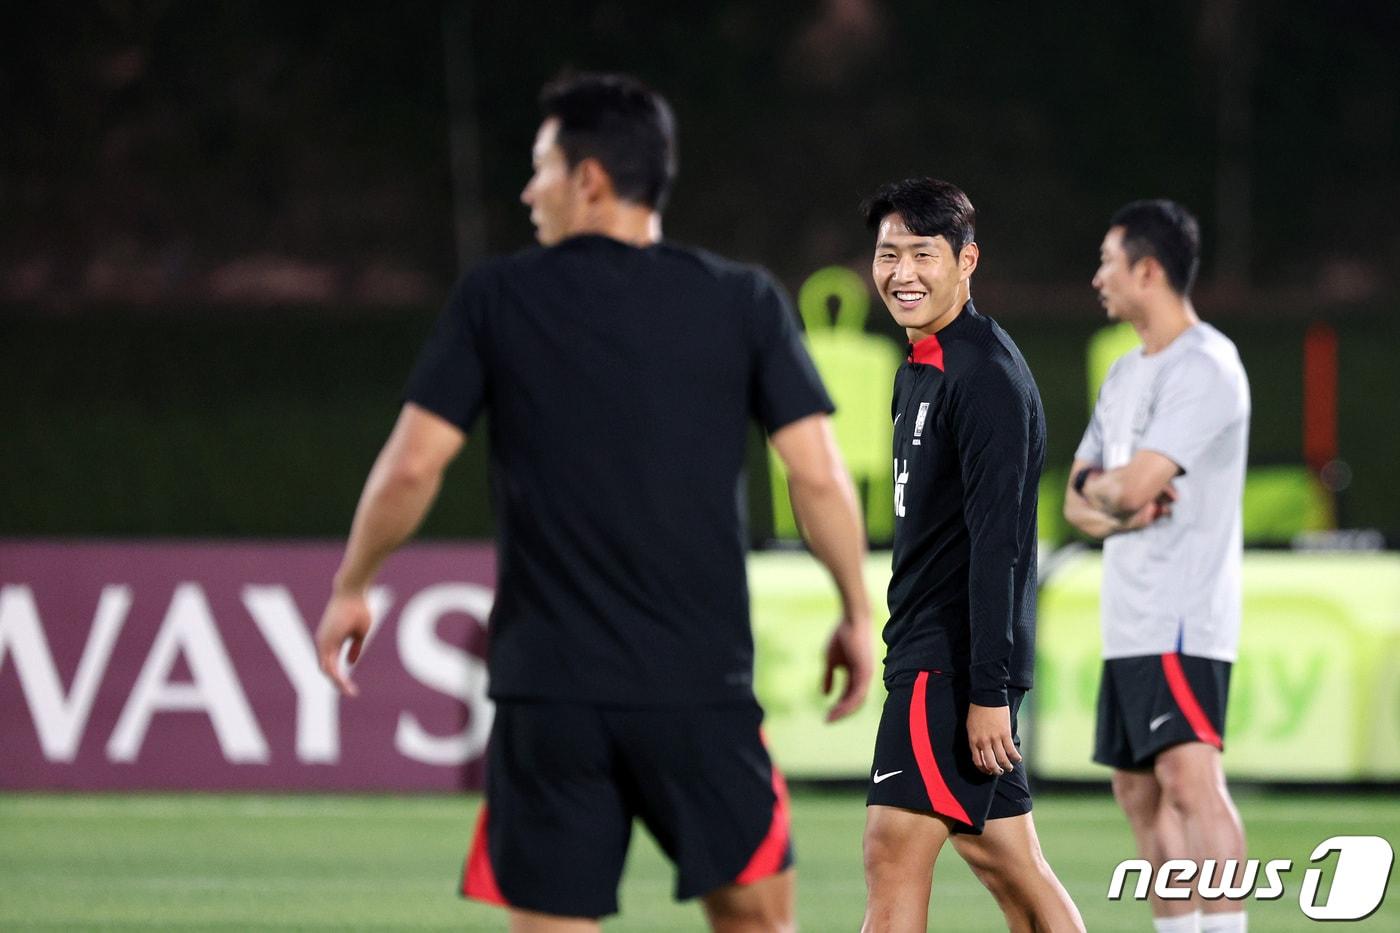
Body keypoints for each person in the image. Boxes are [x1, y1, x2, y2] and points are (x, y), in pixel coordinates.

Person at [314, 73, 874, 932]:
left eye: (540, 166)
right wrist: (854, 608)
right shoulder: (742, 299)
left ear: (591, 179)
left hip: (550, 697)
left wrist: (355, 584)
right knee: (759, 923)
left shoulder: (496, 298)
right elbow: (818, 475)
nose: (527, 188)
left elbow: (412, 466)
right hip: (698, 691)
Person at [857, 177, 1084, 933]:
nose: (902, 273)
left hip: (949, 663)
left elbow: (1004, 545)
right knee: (1011, 869)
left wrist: (988, 688)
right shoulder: (921, 364)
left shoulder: (983, 374)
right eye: (889, 254)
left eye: (923, 253)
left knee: (891, 850)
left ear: (967, 260)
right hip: (936, 655)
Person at [1064, 199, 1250, 933]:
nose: (1097, 278)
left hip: (1183, 613)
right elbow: (1082, 499)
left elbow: (1127, 485)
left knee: (1189, 780)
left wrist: (1110, 492)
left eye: (1108, 262)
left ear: (1148, 269)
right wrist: (1114, 497)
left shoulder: (1206, 365)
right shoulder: (1121, 373)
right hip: (1130, 615)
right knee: (1137, 793)